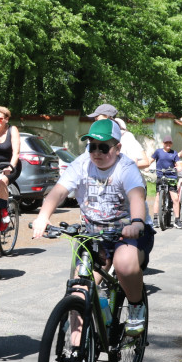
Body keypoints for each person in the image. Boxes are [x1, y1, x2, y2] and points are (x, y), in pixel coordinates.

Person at [31, 119, 151, 334]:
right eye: (91, 146)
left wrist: (136, 222)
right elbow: (58, 191)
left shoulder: (126, 167)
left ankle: (135, 305)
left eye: (103, 147)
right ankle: (74, 357)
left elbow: (137, 197)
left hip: (128, 231)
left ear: (117, 148)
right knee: (79, 290)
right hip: (94, 234)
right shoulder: (82, 164)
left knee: (123, 265)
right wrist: (43, 217)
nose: (96, 152)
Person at [87, 104, 149, 170]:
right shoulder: (92, 137)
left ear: (108, 117)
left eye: (97, 118)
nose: (95, 121)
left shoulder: (126, 136)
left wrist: (120, 169)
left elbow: (145, 162)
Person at [0, 106, 21, 223]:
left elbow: (16, 153)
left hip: (10, 166)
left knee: (0, 181)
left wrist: (10, 167)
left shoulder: (12, 130)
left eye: (0, 119)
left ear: (6, 119)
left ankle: (4, 211)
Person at [150, 135, 182, 228]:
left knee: (175, 198)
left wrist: (179, 167)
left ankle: (177, 220)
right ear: (163, 143)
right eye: (166, 143)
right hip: (161, 176)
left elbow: (178, 164)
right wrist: (147, 167)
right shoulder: (158, 152)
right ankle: (155, 219)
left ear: (171, 144)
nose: (168, 144)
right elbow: (150, 160)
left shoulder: (174, 153)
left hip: (171, 176)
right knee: (157, 197)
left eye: (169, 143)